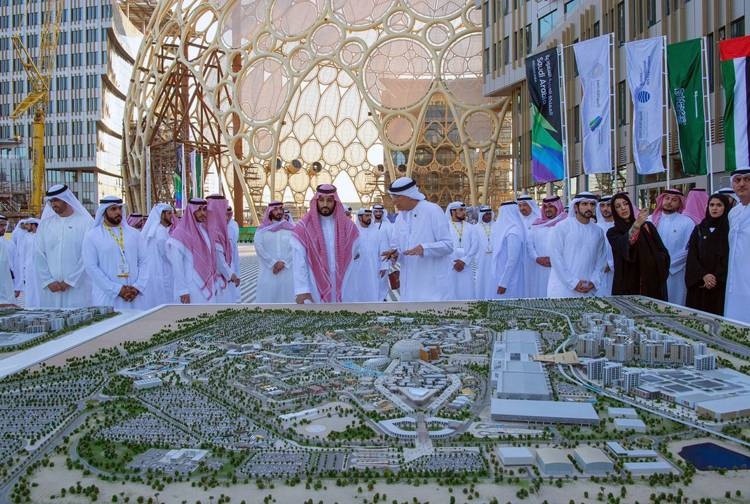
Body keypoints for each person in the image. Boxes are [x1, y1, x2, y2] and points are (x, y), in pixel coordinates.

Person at [381, 177, 453, 302]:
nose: (394, 202)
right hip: (408, 287)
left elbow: (448, 245)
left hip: (432, 287)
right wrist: (394, 254)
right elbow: (397, 246)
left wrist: (424, 249)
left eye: (397, 198)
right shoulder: (399, 218)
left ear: (409, 195)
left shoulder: (432, 211)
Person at [292, 184, 359, 303]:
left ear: (336, 202)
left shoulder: (349, 227)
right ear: (316, 201)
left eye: (329, 200)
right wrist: (302, 289)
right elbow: (298, 261)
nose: (325, 204)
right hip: (314, 284)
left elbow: (357, 255)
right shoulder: (303, 227)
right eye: (321, 200)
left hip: (344, 284)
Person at [82, 196, 149, 309]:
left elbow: (144, 261)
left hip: (134, 296)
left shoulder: (134, 234)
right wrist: (117, 290)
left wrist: (138, 287)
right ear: (104, 212)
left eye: (119, 208)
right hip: (107, 297)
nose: (118, 212)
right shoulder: (92, 236)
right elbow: (91, 267)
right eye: (113, 209)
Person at [34, 184, 93, 308]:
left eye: (56, 200)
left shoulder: (85, 222)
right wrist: (48, 281)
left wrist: (71, 281)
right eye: (51, 201)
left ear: (66, 199)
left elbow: (87, 255)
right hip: (51, 288)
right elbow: (38, 254)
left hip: (78, 287)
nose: (53, 204)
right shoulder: (45, 225)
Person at [607, 192, 670, 300]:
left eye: (625, 204)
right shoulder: (613, 232)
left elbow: (662, 251)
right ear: (614, 211)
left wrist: (655, 261)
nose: (623, 208)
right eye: (618, 206)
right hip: (627, 285)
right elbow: (624, 245)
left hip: (651, 283)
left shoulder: (647, 226)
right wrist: (636, 225)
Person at [547, 193, 608, 298]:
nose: (589, 207)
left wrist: (593, 281)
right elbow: (556, 258)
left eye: (592, 204)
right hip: (562, 289)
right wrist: (573, 282)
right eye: (584, 204)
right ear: (576, 207)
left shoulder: (598, 231)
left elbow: (601, 260)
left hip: (588, 288)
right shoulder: (562, 227)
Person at [685, 193, 730, 315]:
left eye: (719, 205)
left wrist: (715, 277)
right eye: (712, 205)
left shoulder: (730, 229)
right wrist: (704, 275)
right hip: (699, 283)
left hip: (720, 284)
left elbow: (729, 256)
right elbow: (692, 255)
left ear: (725, 208)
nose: (714, 208)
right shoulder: (699, 229)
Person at [166, 197, 217, 303]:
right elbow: (177, 265)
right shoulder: (180, 234)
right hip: (190, 288)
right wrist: (182, 290)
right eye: (199, 210)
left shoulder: (204, 231)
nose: (203, 213)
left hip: (206, 284)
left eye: (204, 209)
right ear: (191, 211)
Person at [650, 188, 694, 305]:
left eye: (674, 200)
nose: (669, 202)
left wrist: (667, 264)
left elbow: (688, 250)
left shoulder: (687, 222)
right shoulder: (650, 221)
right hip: (653, 272)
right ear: (661, 200)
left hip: (676, 273)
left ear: (680, 203)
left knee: (675, 305)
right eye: (667, 198)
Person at [254, 201, 296, 303]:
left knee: (288, 300)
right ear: (270, 212)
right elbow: (259, 247)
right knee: (268, 300)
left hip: (287, 271)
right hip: (268, 272)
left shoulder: (291, 229)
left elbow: (295, 247)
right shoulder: (261, 230)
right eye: (276, 209)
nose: (279, 212)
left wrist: (284, 263)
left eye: (280, 209)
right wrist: (273, 263)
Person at [526, 196, 566, 297]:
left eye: (551, 206)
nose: (548, 209)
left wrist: (556, 260)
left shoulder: (566, 223)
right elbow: (530, 245)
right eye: (545, 207)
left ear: (558, 207)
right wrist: (537, 258)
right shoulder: (536, 225)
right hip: (540, 268)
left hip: (560, 268)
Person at [345, 208, 387, 302]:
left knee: (372, 287)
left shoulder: (377, 232)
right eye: (366, 216)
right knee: (357, 288)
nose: (369, 218)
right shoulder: (354, 232)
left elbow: (383, 249)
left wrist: (384, 265)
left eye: (370, 216)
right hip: (357, 267)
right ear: (360, 218)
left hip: (373, 266)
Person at [725, 168, 750, 323]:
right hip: (734, 279)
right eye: (737, 180)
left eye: (747, 179)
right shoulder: (733, 213)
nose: (742, 184)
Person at [141, 203, 176, 308]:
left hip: (155, 271)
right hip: (162, 271)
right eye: (169, 213)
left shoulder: (156, 230)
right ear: (162, 215)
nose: (172, 216)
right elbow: (166, 254)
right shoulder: (160, 231)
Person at [206, 195, 240, 303]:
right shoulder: (214, 230)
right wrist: (231, 274)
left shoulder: (222, 228)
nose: (226, 214)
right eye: (224, 210)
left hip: (224, 277)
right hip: (217, 280)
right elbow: (219, 259)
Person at [445, 202, 480, 300]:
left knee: (467, 293)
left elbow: (475, 245)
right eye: (461, 210)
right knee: (451, 293)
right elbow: (443, 246)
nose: (464, 212)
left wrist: (464, 261)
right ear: (453, 211)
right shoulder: (445, 227)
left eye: (464, 210)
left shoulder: (470, 227)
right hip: (449, 266)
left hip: (466, 266)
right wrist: (453, 262)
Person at [492, 202, 525, 299]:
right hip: (502, 275)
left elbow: (512, 259)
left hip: (509, 280)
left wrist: (504, 283)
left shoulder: (513, 232)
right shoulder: (507, 230)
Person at [372, 203, 393, 301]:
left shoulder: (388, 226)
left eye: (380, 211)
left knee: (383, 281)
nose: (378, 213)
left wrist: (390, 258)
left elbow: (393, 242)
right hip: (371, 258)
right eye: (376, 211)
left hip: (384, 258)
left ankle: (382, 299)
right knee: (372, 280)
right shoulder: (369, 225)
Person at [475, 205, 496, 299]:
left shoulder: (497, 225)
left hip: (494, 258)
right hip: (481, 259)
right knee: (482, 279)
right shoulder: (475, 228)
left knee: (493, 278)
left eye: (489, 214)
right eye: (486, 214)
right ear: (481, 215)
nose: (488, 216)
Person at [595, 195, 615, 296]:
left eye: (608, 205)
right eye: (602, 206)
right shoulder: (595, 228)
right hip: (598, 274)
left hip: (617, 273)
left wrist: (611, 264)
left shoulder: (620, 227)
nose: (605, 209)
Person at [21, 219, 41, 308]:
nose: (26, 227)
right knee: (30, 286)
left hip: (39, 266)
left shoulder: (41, 235)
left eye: (28, 225)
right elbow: (23, 252)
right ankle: (30, 305)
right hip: (28, 266)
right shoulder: (26, 236)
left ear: (33, 225)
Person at [226, 206, 241, 302]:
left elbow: (234, 247)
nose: (229, 215)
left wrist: (237, 274)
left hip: (232, 260)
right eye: (226, 213)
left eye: (230, 212)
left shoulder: (234, 224)